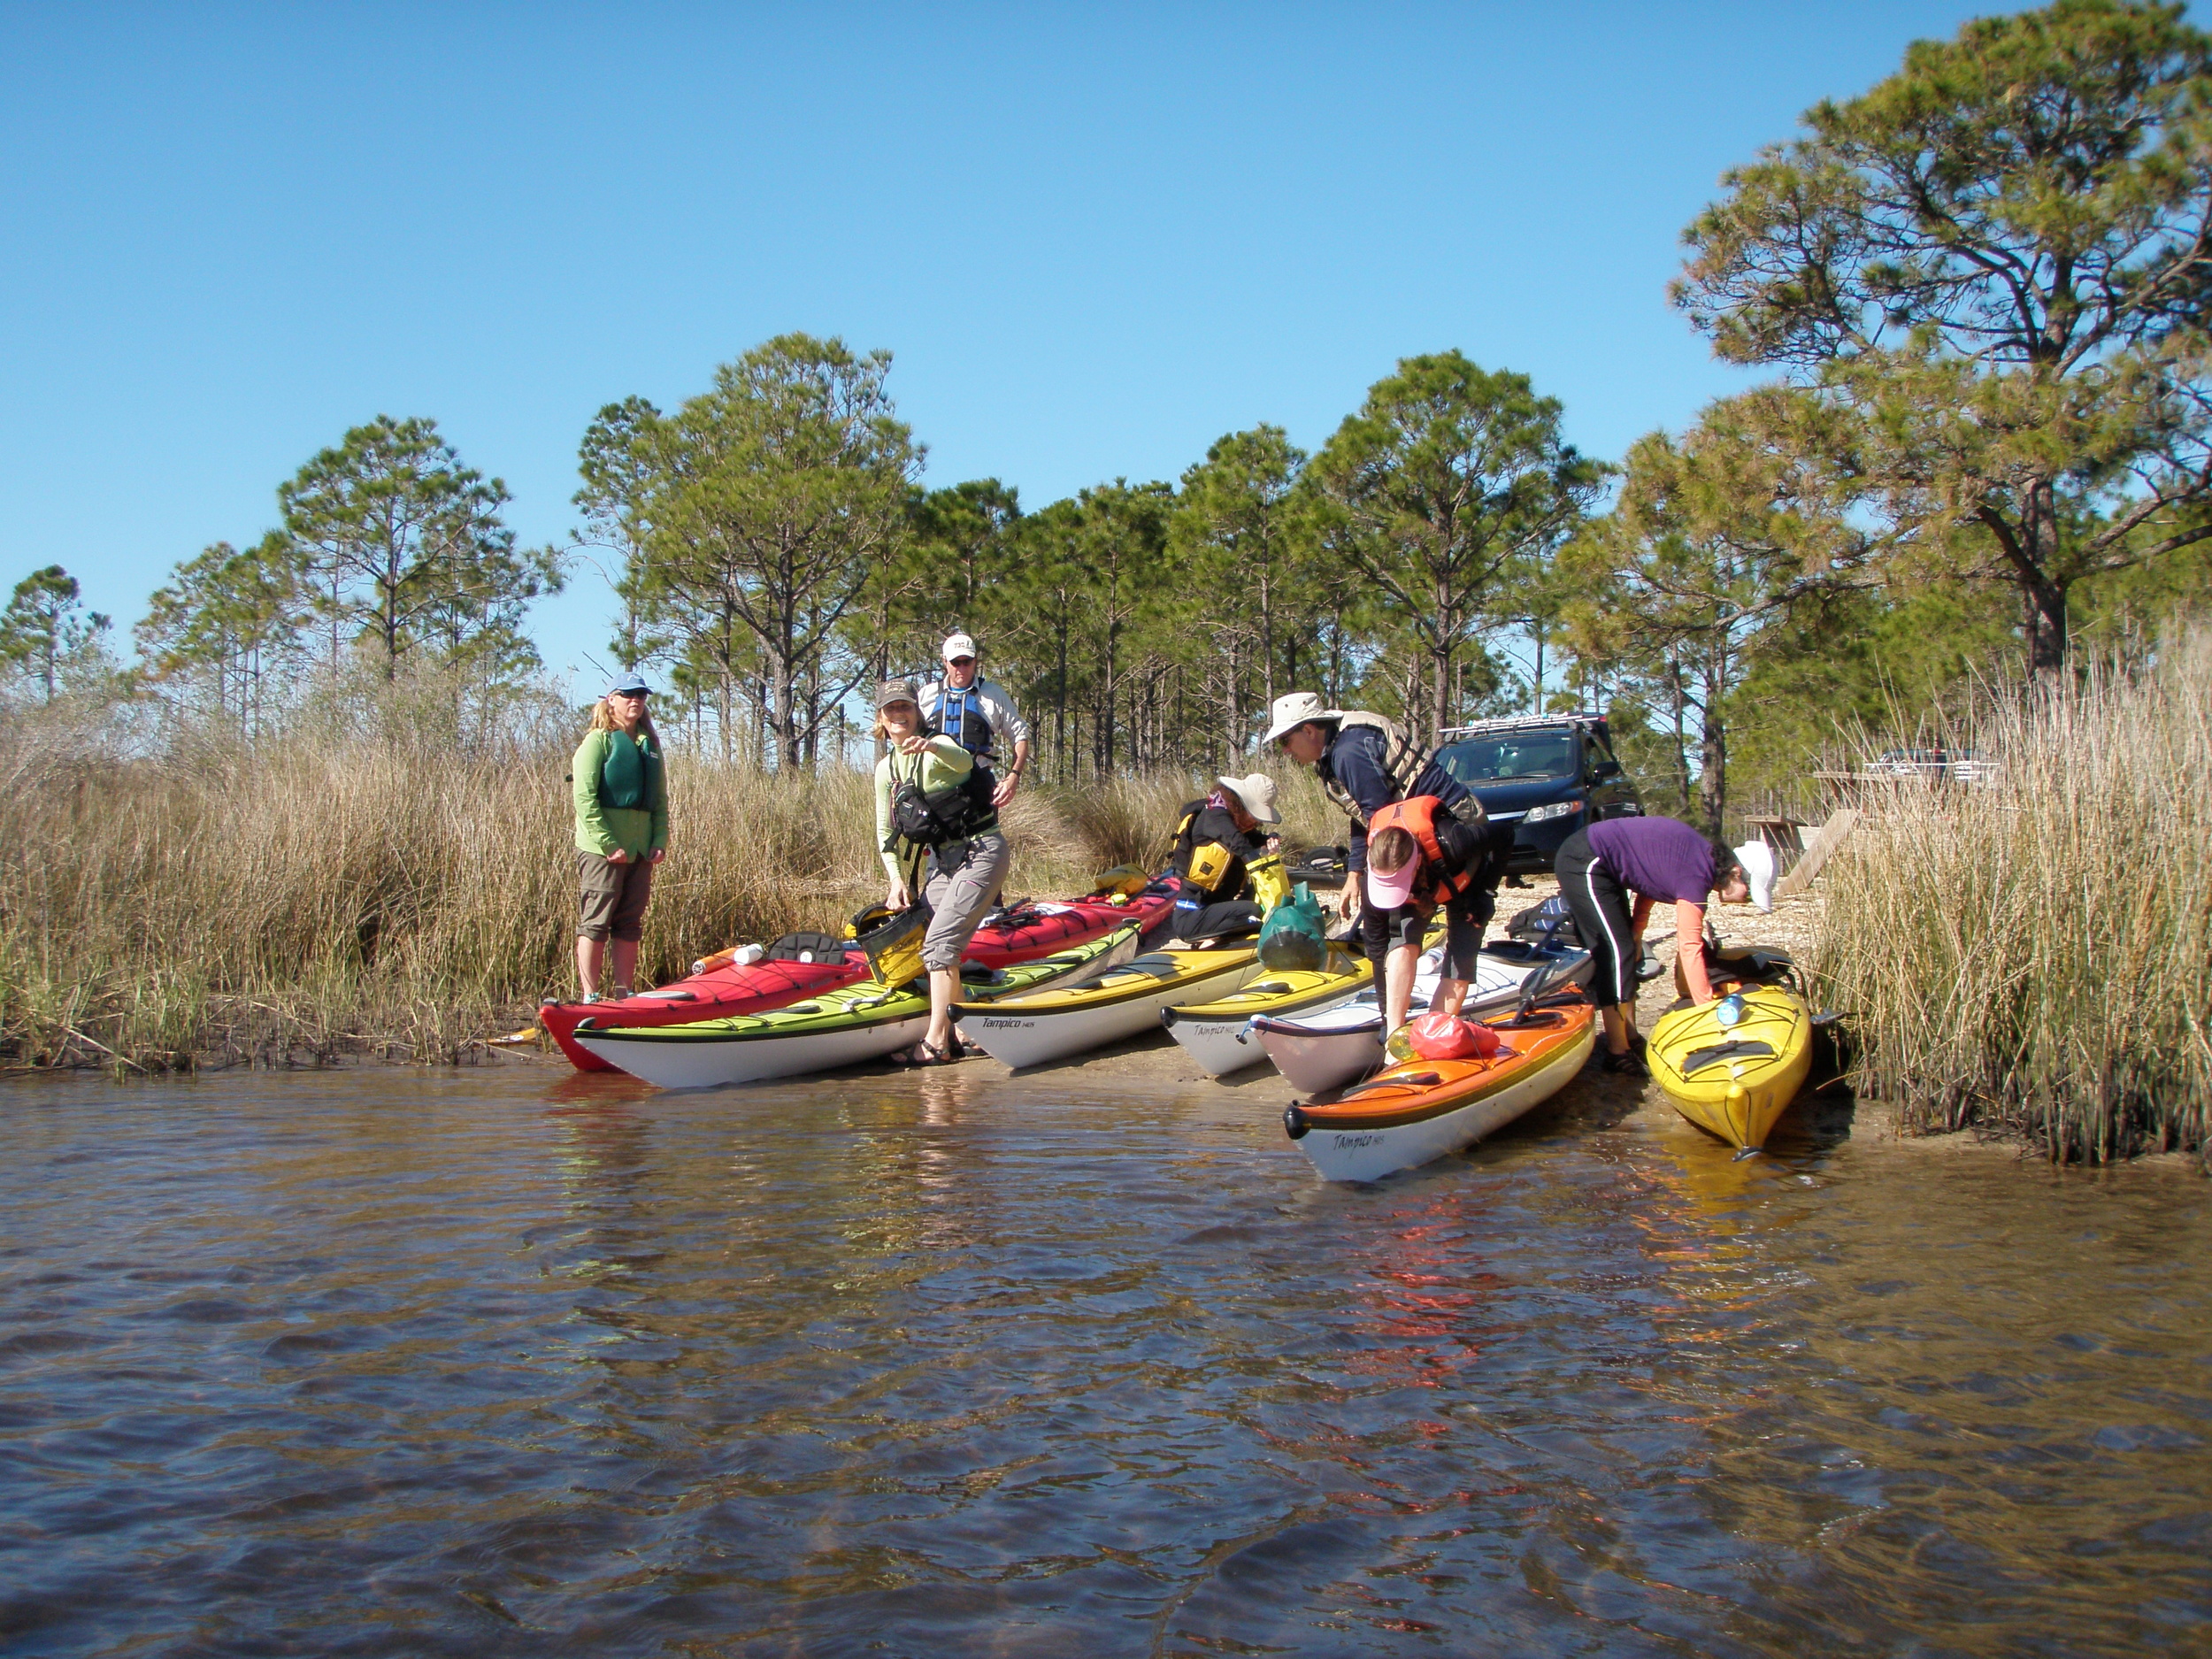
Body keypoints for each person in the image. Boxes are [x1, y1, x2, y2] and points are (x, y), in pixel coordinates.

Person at [1262, 690, 1483, 1036]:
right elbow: (1364, 817)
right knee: (1382, 922)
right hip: (1413, 835)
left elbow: (1383, 824)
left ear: (1309, 730)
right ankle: (1392, 1022)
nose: (1285, 751)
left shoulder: (1349, 752)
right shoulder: (1338, 747)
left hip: (1453, 838)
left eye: (1286, 740)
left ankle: (1405, 1028)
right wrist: (1354, 873)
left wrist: (1373, 878)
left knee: (1397, 924)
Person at [1553, 816, 1778, 1076]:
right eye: (1748, 893)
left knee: (1627, 947)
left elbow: (1651, 881)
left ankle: (1630, 1036)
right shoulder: (1697, 874)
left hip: (1604, 864)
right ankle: (1617, 1052)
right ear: (1736, 873)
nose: (1745, 901)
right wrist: (1706, 1012)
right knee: (1616, 953)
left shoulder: (1701, 862)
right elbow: (1689, 947)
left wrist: (1637, 933)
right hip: (1584, 859)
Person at [872, 677, 1013, 1064]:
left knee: (938, 946)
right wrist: (896, 878)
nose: (898, 714)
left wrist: (931, 744)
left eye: (905, 707)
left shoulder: (940, 746)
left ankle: (937, 1041)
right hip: (942, 862)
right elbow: (885, 831)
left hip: (981, 853)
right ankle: (969, 1030)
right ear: (882, 719)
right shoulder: (887, 768)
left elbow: (963, 761)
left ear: (916, 712)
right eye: (891, 709)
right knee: (935, 946)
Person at [1363, 796, 1517, 1030]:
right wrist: (1387, 1020)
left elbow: (1505, 833)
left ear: (1417, 863)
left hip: (1466, 882)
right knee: (1401, 945)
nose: (1398, 893)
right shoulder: (1373, 878)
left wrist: (1486, 892)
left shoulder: (1457, 842)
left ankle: (1432, 1032)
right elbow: (1377, 951)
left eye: (1399, 885)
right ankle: (1395, 1034)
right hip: (1423, 885)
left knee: (1461, 959)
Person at [572, 672, 669, 1002]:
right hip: (603, 850)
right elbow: (584, 799)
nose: (636, 700)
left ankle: (624, 994)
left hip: (640, 850)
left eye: (641, 695)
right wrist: (608, 843)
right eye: (628, 694)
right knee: (596, 922)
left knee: (629, 923)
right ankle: (590, 995)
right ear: (610, 699)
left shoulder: (649, 745)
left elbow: (660, 801)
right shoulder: (596, 742)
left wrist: (659, 840)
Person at [1166, 772, 1287, 940]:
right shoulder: (1214, 816)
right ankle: (1209, 941)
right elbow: (1238, 843)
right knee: (1258, 911)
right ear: (1241, 804)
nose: (1255, 823)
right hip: (1192, 915)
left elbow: (1254, 839)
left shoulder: (1234, 820)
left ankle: (1219, 938)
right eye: (1255, 815)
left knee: (1266, 903)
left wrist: (1270, 840)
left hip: (1216, 906)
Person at [918, 632, 1032, 810]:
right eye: (956, 662)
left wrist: (1014, 776)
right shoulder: (926, 695)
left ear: (975, 661)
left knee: (990, 839)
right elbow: (907, 739)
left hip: (978, 784)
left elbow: (1020, 735)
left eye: (967, 661)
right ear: (944, 661)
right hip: (933, 786)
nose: (962, 668)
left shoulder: (994, 695)